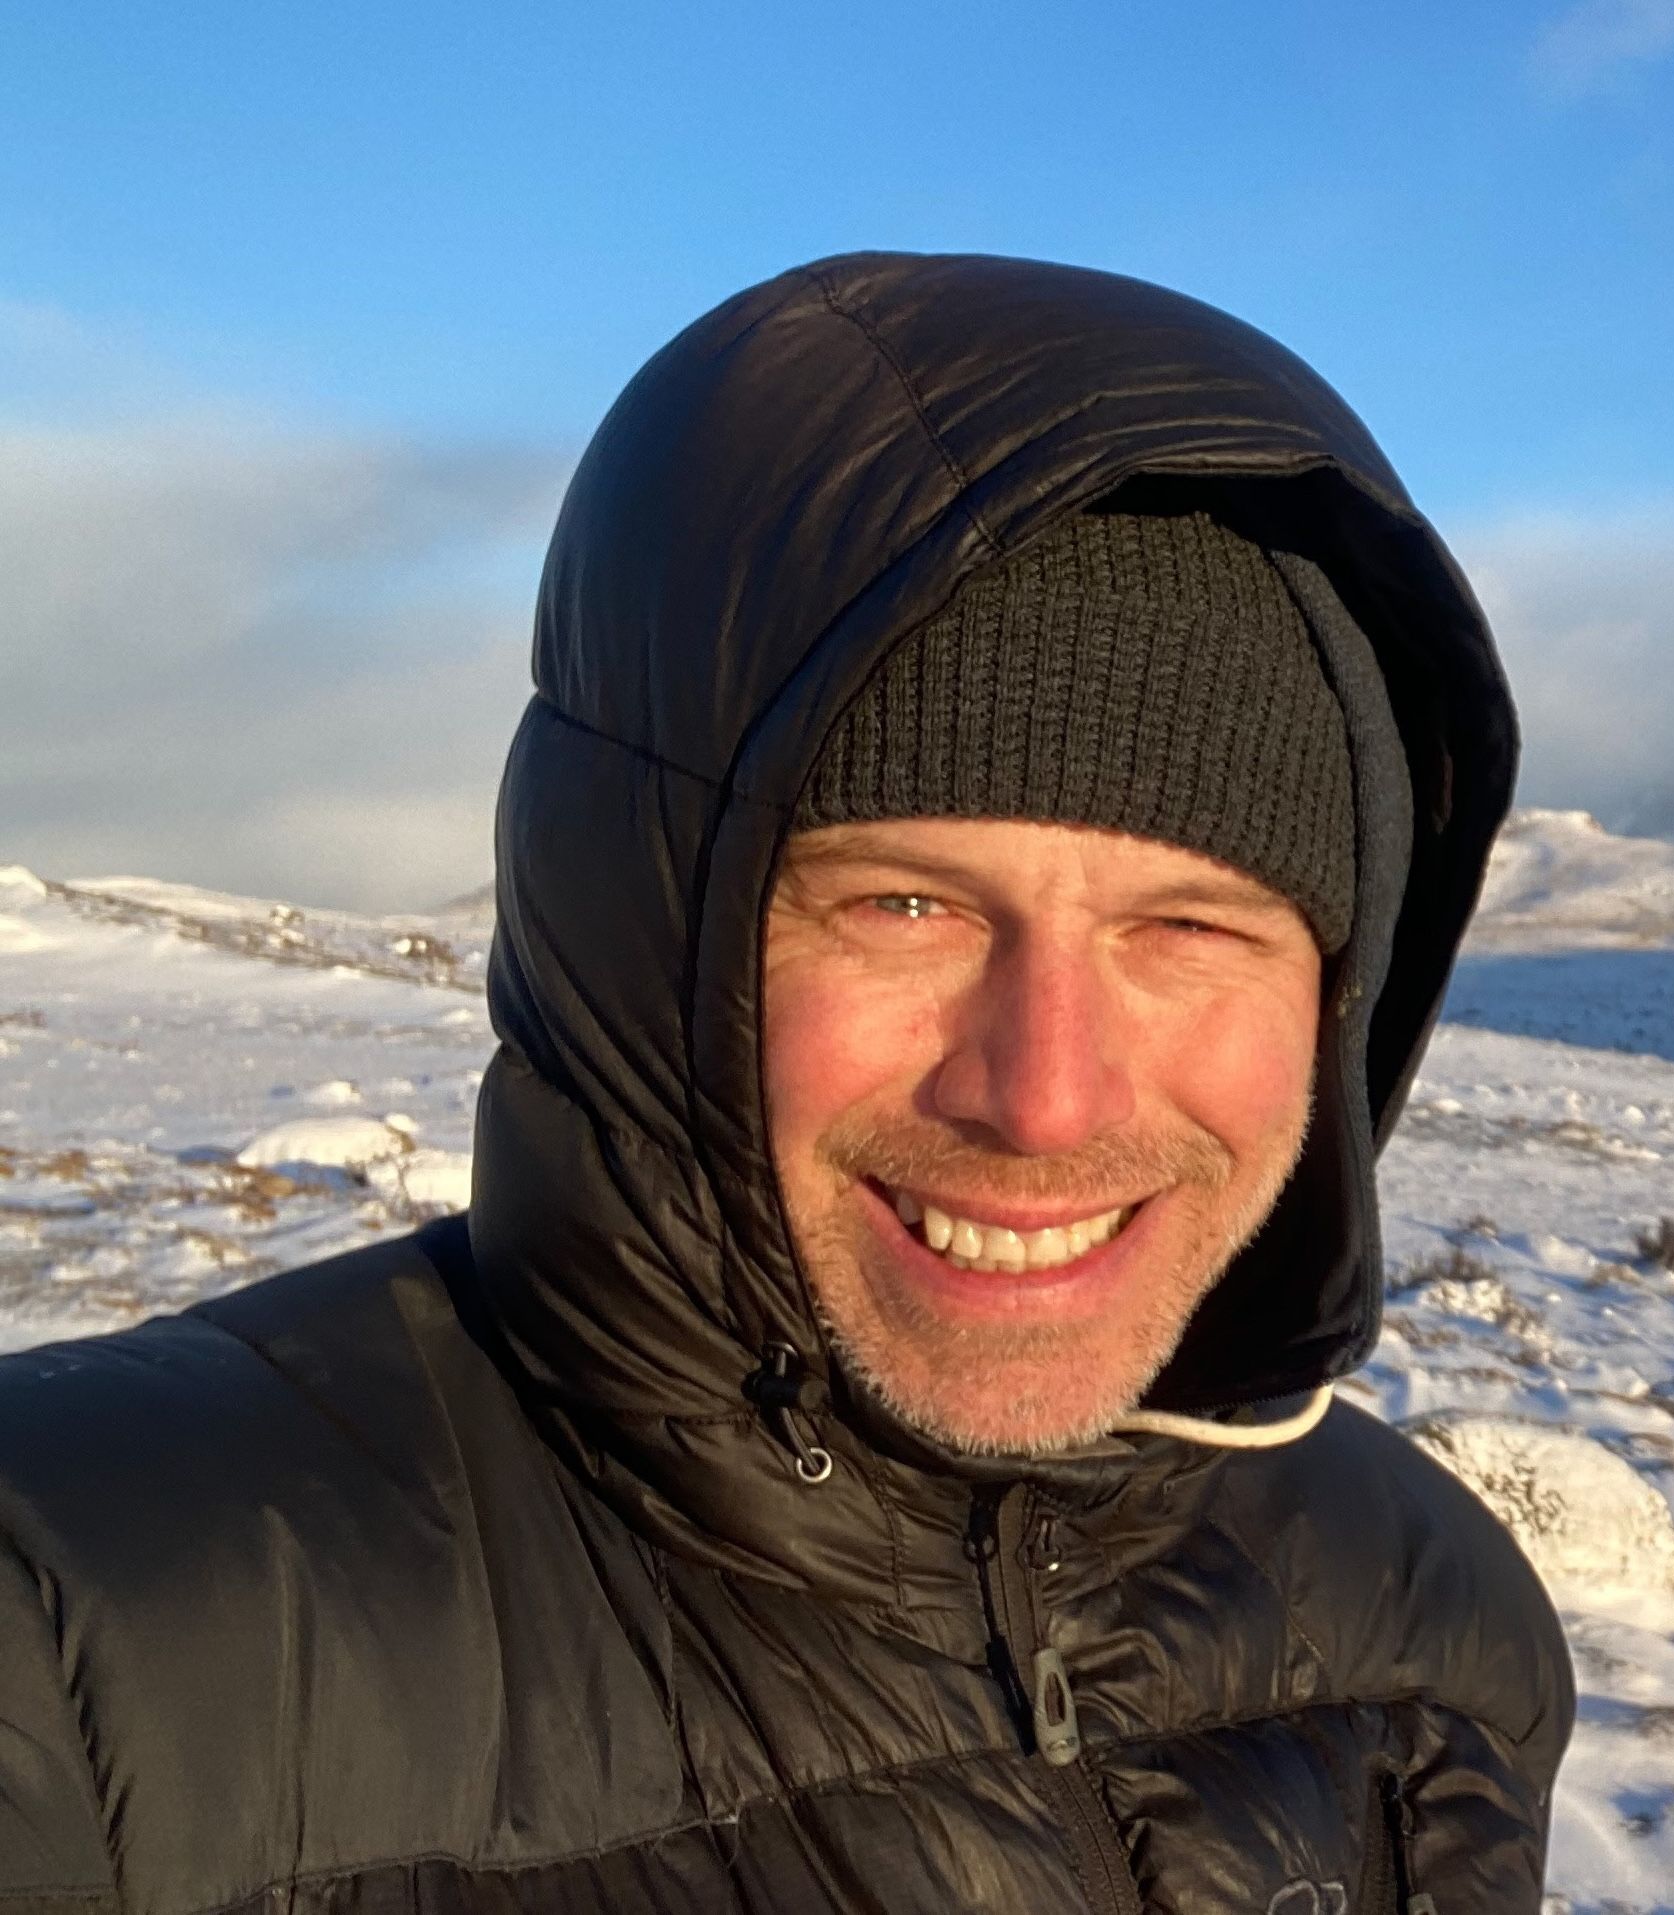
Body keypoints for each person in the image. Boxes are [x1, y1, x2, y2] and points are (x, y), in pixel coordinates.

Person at [0, 251, 1572, 1913]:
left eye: (1189, 928)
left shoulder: (1431, 1634)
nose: (1044, 1097)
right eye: (903, 906)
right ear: (635, 929)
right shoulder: (89, 1642)